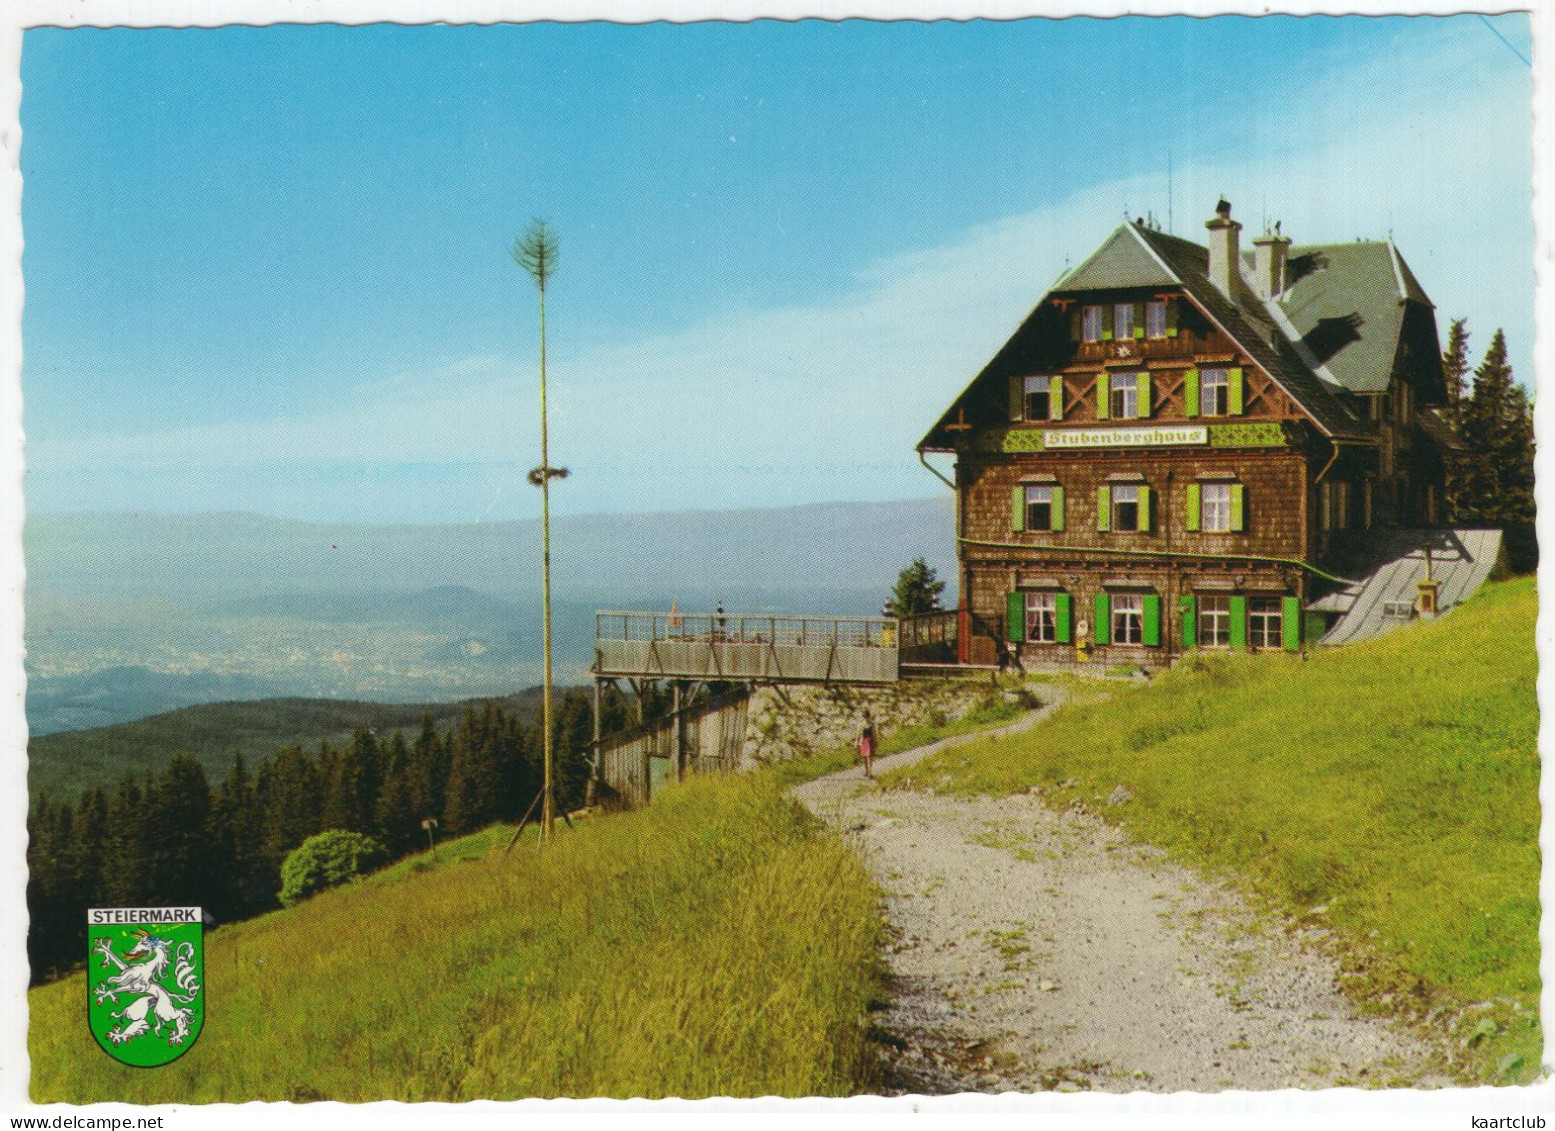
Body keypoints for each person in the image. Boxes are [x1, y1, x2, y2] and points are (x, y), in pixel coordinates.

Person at [858, 710, 876, 779]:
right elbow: (858, 734)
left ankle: (870, 773)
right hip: (863, 742)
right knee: (864, 757)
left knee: (869, 757)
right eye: (864, 717)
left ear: (869, 717)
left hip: (870, 741)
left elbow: (874, 733)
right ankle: (867, 771)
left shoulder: (872, 724)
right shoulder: (861, 725)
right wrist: (857, 742)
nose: (866, 719)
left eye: (866, 717)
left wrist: (876, 741)